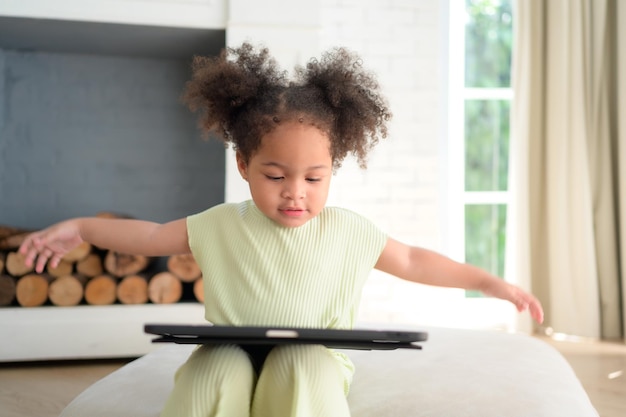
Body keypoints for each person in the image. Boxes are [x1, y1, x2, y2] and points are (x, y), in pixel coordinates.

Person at [19, 42, 543, 417]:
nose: (296, 191)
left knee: (302, 370)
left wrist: (485, 281)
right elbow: (151, 238)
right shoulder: (220, 223)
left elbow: (412, 260)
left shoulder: (348, 230)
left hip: (315, 357)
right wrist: (82, 228)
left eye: (315, 177)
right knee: (210, 374)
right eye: (275, 175)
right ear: (244, 165)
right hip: (229, 349)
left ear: (333, 168)